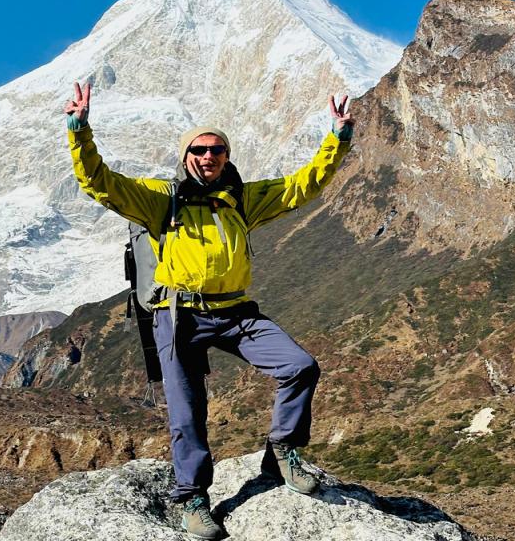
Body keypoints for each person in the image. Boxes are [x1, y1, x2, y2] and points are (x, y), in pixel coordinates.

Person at [64, 82, 354, 539]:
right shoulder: (163, 199)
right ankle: (193, 499)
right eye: (199, 150)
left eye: (217, 149)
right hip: (179, 316)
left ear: (226, 156)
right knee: (186, 413)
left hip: (237, 313)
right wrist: (80, 131)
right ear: (186, 157)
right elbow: (101, 183)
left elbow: (304, 184)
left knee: (300, 366)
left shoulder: (242, 198)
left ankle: (283, 450)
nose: (208, 156)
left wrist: (337, 138)